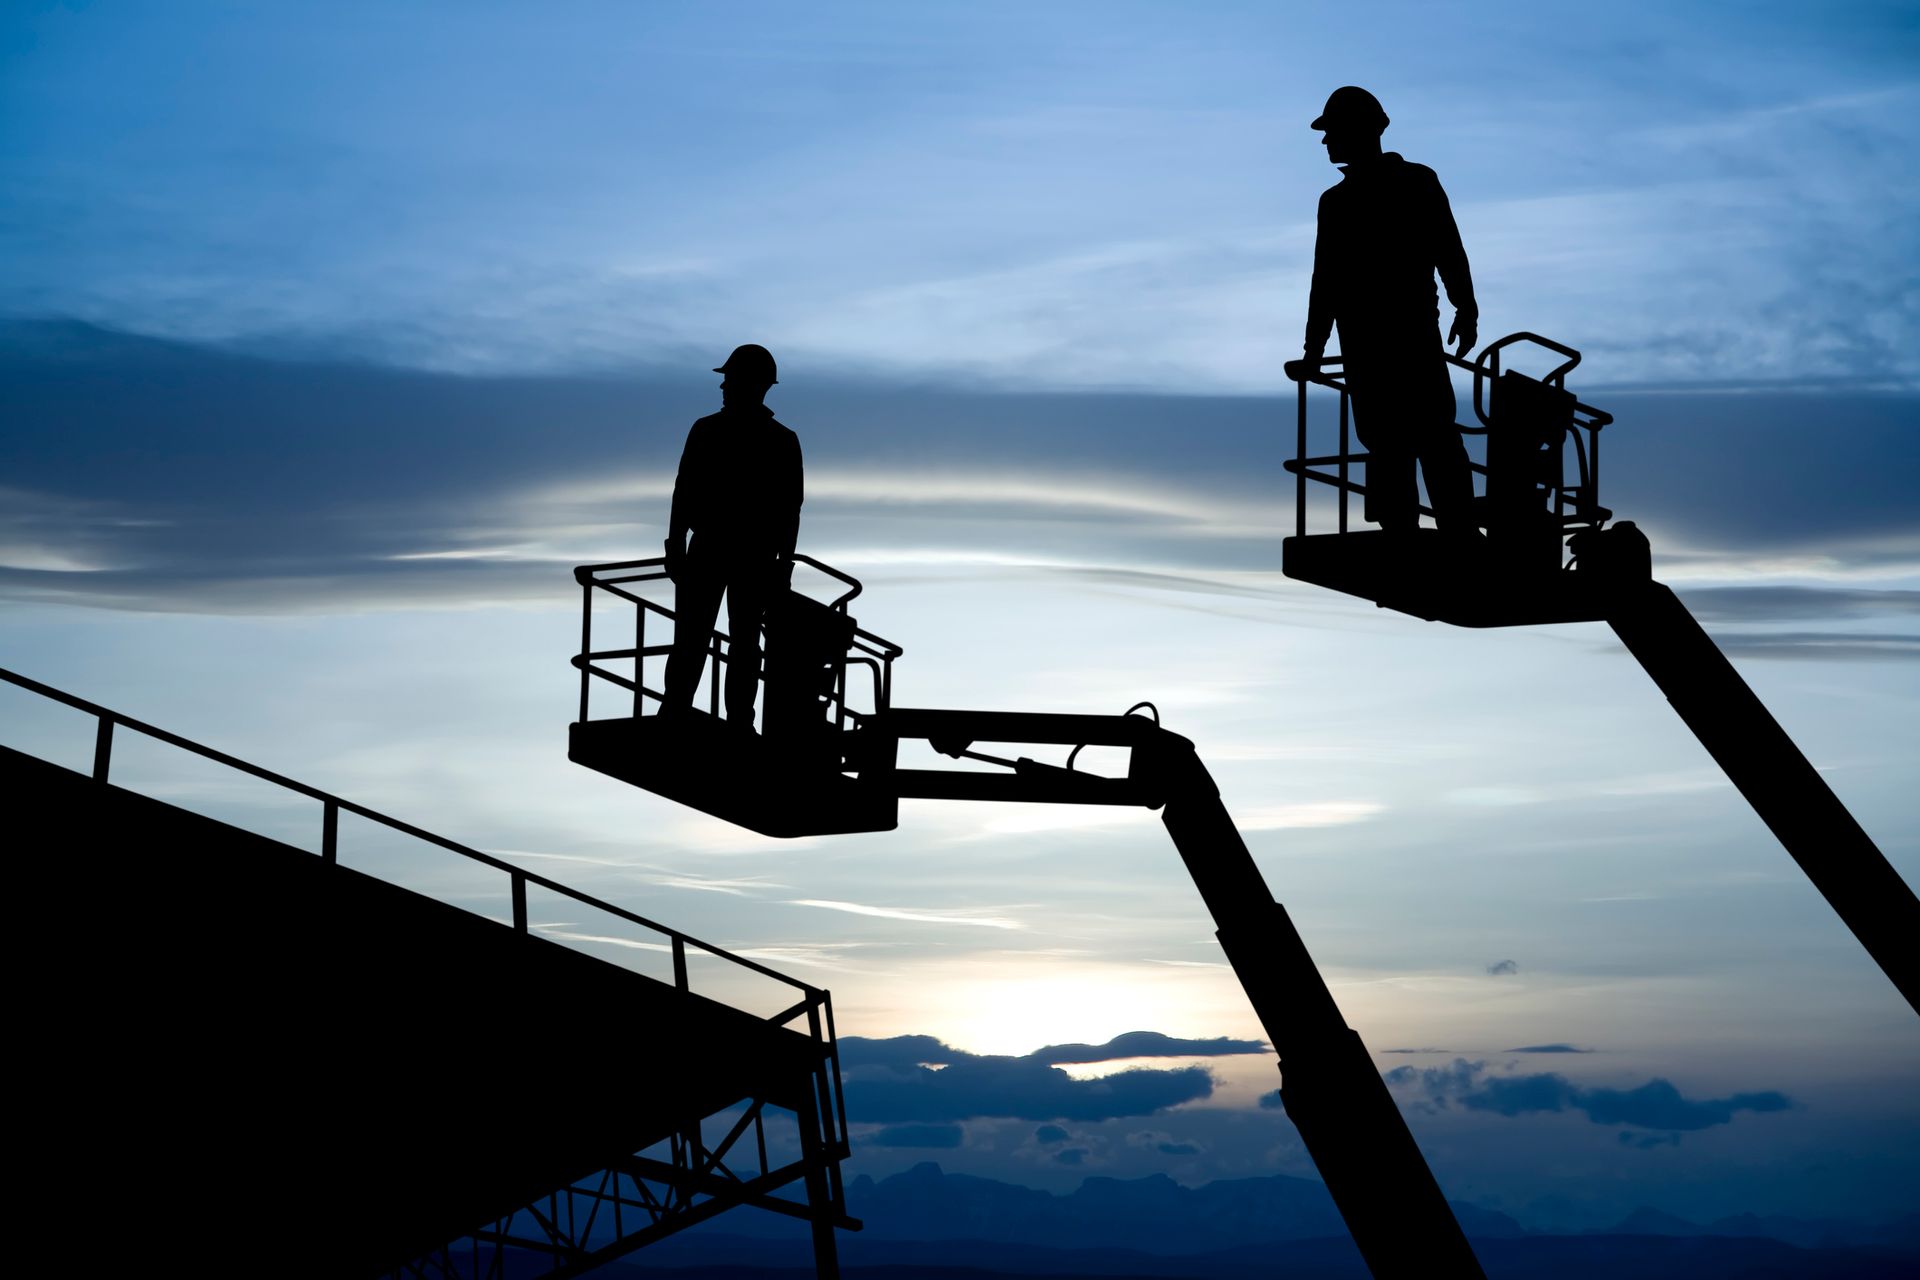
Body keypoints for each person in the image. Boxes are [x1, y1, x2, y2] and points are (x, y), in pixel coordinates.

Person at [1302, 86, 1478, 536]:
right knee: (1392, 441)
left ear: (1361, 131)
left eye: (1332, 131)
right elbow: (1327, 282)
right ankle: (1412, 528)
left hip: (1404, 337)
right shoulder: (1337, 202)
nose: (1326, 141)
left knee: (1427, 434)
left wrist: (1465, 306)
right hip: (1371, 343)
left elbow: (1447, 249)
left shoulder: (1414, 182)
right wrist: (1314, 347)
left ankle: (1451, 528)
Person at [661, 343, 803, 731]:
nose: (723, 387)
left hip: (732, 553)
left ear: (751, 384)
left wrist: (783, 563)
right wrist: (675, 547)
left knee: (714, 640)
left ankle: (699, 714)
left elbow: (790, 509)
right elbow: (684, 491)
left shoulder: (718, 432)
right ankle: (725, 718)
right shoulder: (775, 439)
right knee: (717, 641)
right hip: (738, 553)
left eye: (729, 379)